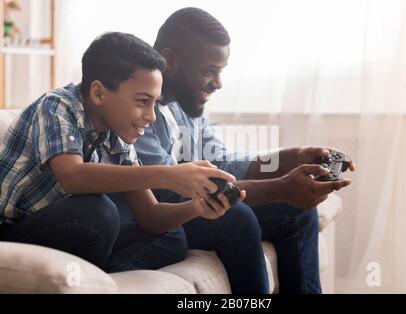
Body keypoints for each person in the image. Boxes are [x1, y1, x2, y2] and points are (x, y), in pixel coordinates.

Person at [120, 7, 356, 294]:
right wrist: (280, 187)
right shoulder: (135, 112)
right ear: (171, 60)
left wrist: (292, 157)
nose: (218, 83)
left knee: (297, 212)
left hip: (189, 203)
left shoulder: (187, 106)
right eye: (209, 71)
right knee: (238, 216)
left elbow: (224, 164)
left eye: (221, 71)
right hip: (170, 214)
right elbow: (174, 192)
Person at [0, 31, 241, 272]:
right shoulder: (57, 106)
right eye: (142, 101)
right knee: (98, 212)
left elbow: (151, 215)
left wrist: (197, 207)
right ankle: (91, 280)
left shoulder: (118, 135)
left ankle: (98, 277)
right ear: (98, 93)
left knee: (173, 237)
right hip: (10, 232)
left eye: (155, 102)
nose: (151, 116)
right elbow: (72, 176)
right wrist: (170, 175)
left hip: (61, 231)